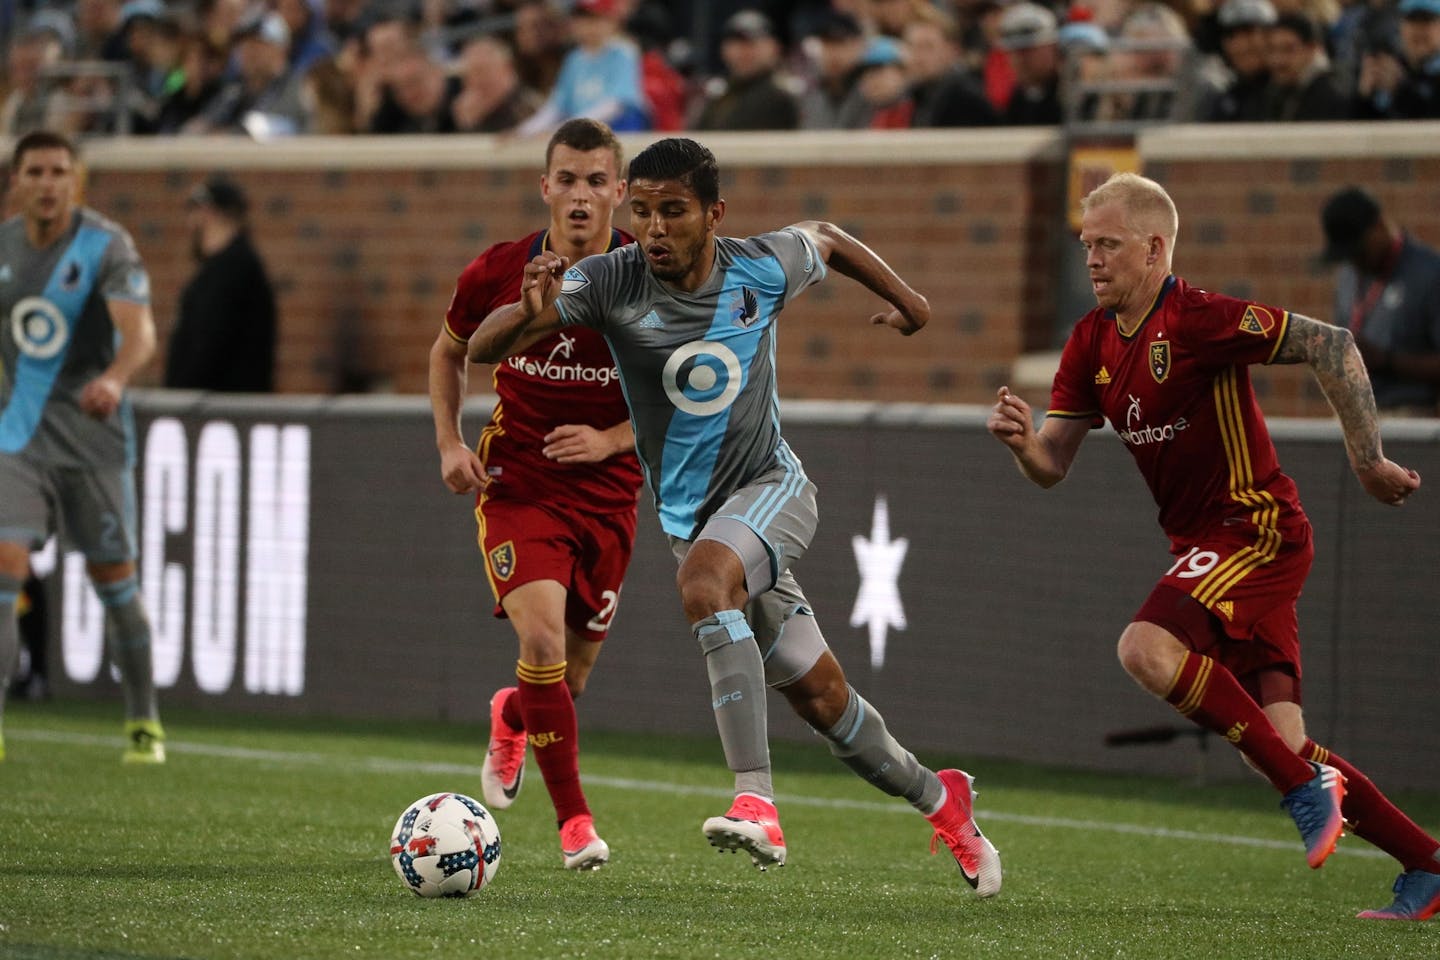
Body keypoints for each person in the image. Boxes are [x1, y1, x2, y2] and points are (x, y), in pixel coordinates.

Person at [467, 137, 1003, 897]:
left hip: (772, 489)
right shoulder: (609, 281)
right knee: (825, 702)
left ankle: (757, 800)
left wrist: (911, 304)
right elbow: (487, 348)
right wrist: (527, 311)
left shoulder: (761, 265)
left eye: (674, 212)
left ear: (713, 214)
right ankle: (943, 799)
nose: (654, 228)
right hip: (695, 520)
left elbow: (829, 238)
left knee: (703, 586)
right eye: (644, 211)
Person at [987, 172, 1440, 921]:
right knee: (1279, 739)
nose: (1092, 259)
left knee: (1145, 648)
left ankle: (1303, 793)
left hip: (1257, 531)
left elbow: (1333, 343)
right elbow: (1051, 466)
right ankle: (1425, 863)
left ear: (1155, 247)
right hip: (1208, 544)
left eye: (1108, 244)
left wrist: (1368, 461)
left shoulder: (1196, 319)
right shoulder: (1091, 340)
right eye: (1085, 245)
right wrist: (1021, 443)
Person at [429, 118, 642, 872]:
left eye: (595, 181)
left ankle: (511, 713)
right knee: (542, 642)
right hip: (518, 481)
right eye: (567, 180)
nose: (580, 196)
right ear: (543, 185)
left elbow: (687, 394)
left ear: (620, 191)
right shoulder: (499, 268)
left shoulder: (654, 276)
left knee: (568, 679)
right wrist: (451, 441)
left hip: (612, 493)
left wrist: (612, 441)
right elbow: (450, 350)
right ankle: (575, 823)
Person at [0, 130, 164, 764]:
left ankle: (143, 720)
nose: (47, 183)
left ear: (76, 181)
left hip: (92, 441)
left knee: (113, 582)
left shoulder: (104, 246)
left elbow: (139, 331)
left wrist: (116, 378)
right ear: (16, 180)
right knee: (5, 565)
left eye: (59, 171)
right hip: (17, 436)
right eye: (35, 171)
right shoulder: (5, 248)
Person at [1319, 185, 1440, 415]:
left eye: (1358, 252)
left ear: (1379, 227)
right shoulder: (1349, 275)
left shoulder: (1429, 274)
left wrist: (1387, 361)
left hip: (1406, 414)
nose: (1355, 262)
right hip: (1354, 414)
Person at [163, 175, 278, 392]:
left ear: (208, 213)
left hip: (218, 408)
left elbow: (209, 344)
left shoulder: (233, 268)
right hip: (212, 407)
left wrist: (181, 396)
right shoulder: (225, 267)